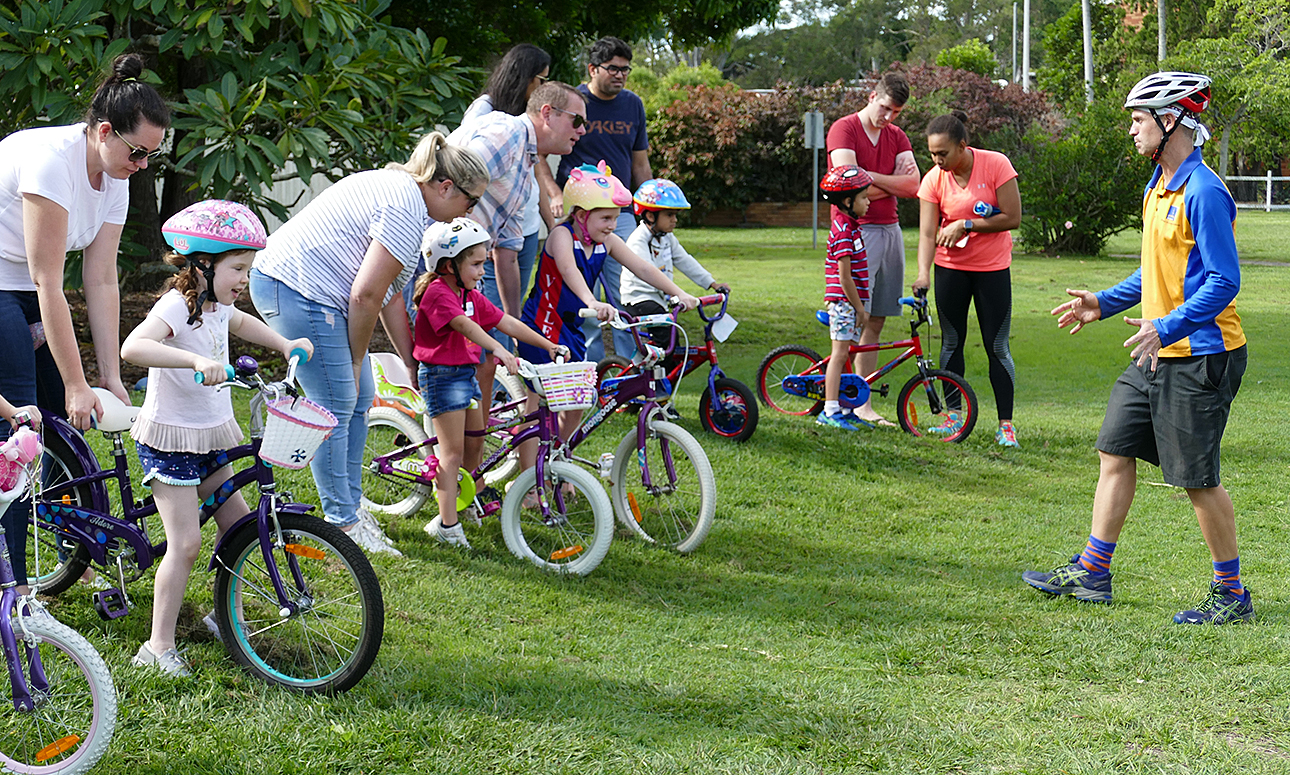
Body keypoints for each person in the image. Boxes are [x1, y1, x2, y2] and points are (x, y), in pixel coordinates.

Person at [1023, 72, 1252, 625]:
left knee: (1196, 479)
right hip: (1157, 349)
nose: (1131, 129)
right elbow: (1156, 270)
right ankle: (1093, 571)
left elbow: (1224, 280)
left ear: (1170, 120)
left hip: (1201, 355)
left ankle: (1231, 594)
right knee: (1114, 448)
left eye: (1138, 119)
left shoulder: (1203, 191)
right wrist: (1102, 302)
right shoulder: (1158, 185)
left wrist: (1167, 326)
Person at [250, 131, 489, 557]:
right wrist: (357, 356)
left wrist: (409, 358)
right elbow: (365, 296)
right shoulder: (404, 208)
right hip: (295, 288)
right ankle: (341, 522)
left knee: (360, 397)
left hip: (311, 291)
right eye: (470, 202)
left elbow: (389, 293)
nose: (468, 212)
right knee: (335, 403)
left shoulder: (409, 201)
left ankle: (351, 505)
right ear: (445, 187)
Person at [120, 201, 314, 677]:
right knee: (186, 543)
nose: (245, 278)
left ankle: (226, 616)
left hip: (210, 436)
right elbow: (133, 347)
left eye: (248, 269)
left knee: (238, 528)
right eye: (238, 268)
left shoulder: (219, 306)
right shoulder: (176, 306)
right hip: (171, 440)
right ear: (203, 264)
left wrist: (284, 343)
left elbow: (240, 323)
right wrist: (193, 361)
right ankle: (157, 647)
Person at [0, 52, 169, 591]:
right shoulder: (52, 161)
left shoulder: (116, 174)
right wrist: (76, 382)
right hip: (9, 282)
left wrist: (109, 375)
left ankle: (62, 542)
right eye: (137, 152)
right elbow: (49, 282)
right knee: (20, 426)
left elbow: (100, 280)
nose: (142, 165)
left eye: (152, 156)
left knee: (59, 423)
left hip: (30, 283)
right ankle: (14, 591)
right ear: (103, 132)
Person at [515, 162, 698, 472]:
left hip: (570, 331)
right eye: (606, 218)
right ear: (581, 215)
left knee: (575, 405)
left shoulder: (605, 242)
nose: (613, 225)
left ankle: (557, 466)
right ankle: (530, 479)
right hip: (542, 328)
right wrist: (591, 300)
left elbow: (642, 267)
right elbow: (569, 270)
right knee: (540, 407)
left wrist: (678, 292)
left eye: (615, 217)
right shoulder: (561, 236)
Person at [411, 218, 562, 548]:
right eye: (476, 264)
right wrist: (497, 348)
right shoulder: (438, 293)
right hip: (441, 378)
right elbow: (464, 326)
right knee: (452, 454)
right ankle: (446, 525)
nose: (482, 271)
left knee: (475, 444)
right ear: (449, 265)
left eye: (484, 263)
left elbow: (506, 321)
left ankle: (463, 502)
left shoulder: (469, 294)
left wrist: (547, 344)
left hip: (465, 375)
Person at [447, 80, 587, 431]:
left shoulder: (526, 166)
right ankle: (449, 455)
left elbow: (507, 253)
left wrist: (513, 327)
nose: (582, 131)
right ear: (547, 114)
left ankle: (471, 455)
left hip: (464, 273)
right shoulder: (508, 134)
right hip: (439, 267)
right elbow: (451, 185)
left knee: (483, 364)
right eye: (577, 121)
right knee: (456, 370)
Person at [912, 111, 1022, 447]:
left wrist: (966, 224)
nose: (937, 160)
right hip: (950, 270)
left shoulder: (996, 165)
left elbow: (1013, 217)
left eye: (943, 153)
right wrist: (923, 274)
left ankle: (1006, 426)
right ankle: (953, 417)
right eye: (932, 154)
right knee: (951, 342)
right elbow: (927, 234)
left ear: (962, 146)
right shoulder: (933, 179)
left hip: (992, 270)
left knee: (996, 346)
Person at [546, 36, 652, 362]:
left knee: (625, 290)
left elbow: (640, 163)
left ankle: (629, 370)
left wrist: (650, 207)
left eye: (625, 69)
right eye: (613, 68)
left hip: (619, 213)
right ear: (593, 69)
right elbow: (539, 155)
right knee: (583, 294)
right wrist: (554, 193)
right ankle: (588, 369)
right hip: (578, 215)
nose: (620, 75)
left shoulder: (633, 105)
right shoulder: (574, 103)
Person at [826, 72, 921, 427]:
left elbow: (913, 185)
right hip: (858, 231)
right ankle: (841, 401)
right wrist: (887, 182)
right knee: (855, 318)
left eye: (896, 112)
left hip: (890, 228)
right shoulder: (844, 129)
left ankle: (861, 402)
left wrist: (866, 179)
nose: (889, 117)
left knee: (878, 318)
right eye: (885, 108)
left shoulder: (897, 136)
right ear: (871, 97)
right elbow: (846, 187)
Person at [621, 179, 730, 352]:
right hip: (639, 298)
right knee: (667, 336)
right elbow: (647, 272)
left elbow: (684, 260)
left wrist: (712, 283)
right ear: (650, 216)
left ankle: (663, 368)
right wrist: (678, 294)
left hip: (658, 298)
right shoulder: (638, 240)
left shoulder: (666, 237)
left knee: (672, 337)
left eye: (675, 215)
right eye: (669, 215)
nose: (675, 220)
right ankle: (659, 370)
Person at [815, 166, 876, 431]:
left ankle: (845, 408)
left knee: (847, 355)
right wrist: (860, 309)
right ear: (848, 201)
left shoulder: (851, 227)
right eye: (864, 197)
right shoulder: (842, 230)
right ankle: (829, 411)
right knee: (838, 355)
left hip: (851, 303)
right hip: (844, 303)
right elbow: (845, 277)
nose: (869, 202)